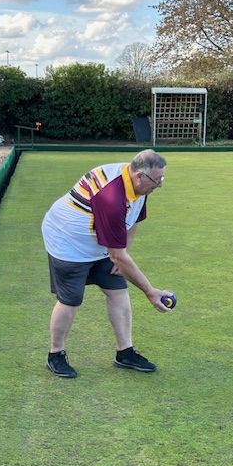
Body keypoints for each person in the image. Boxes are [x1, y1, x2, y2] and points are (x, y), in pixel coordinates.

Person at [41, 149, 172, 378]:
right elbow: (116, 255)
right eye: (157, 180)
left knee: (118, 290)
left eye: (162, 178)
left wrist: (124, 252)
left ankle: (125, 352)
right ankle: (55, 354)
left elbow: (133, 219)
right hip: (67, 241)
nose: (160, 185)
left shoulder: (139, 184)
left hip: (98, 240)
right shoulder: (111, 196)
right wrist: (150, 292)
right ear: (139, 176)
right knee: (71, 299)